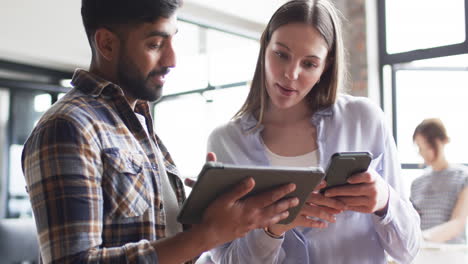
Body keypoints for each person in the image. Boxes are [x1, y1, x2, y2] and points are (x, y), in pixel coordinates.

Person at [20, 0, 301, 263]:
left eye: (172, 39)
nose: (172, 59)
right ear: (106, 44)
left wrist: (207, 218)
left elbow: (165, 241)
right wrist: (207, 234)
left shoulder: (138, 126)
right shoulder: (68, 126)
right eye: (155, 44)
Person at [206, 0, 421, 263]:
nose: (290, 74)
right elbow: (226, 259)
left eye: (309, 64)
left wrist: (385, 201)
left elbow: (408, 250)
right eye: (281, 54)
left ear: (325, 67)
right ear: (265, 48)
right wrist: (273, 228)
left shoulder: (364, 119)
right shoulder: (226, 141)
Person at [411, 118, 468, 244]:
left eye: (429, 146)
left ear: (444, 141)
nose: (424, 153)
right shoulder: (417, 184)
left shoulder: (463, 177)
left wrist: (422, 238)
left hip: (452, 255)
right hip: (422, 254)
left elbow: (457, 222)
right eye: (420, 147)